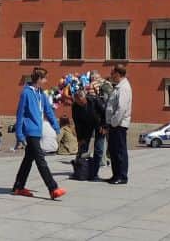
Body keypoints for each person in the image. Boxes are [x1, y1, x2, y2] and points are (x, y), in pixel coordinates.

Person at [12, 67, 66, 199]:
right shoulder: (26, 93)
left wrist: (56, 126)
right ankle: (53, 188)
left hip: (38, 131)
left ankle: (18, 186)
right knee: (41, 160)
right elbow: (20, 114)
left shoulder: (41, 94)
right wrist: (19, 134)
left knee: (28, 160)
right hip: (30, 131)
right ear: (39, 79)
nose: (46, 81)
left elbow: (48, 111)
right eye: (45, 78)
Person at [104, 63, 132, 185]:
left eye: (112, 73)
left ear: (118, 74)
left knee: (120, 151)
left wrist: (114, 122)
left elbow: (121, 108)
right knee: (113, 151)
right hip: (115, 124)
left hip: (119, 125)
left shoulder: (124, 88)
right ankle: (116, 175)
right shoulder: (119, 87)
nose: (111, 75)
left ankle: (122, 176)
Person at [72, 89, 106, 180]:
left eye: (82, 102)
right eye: (78, 103)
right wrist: (80, 138)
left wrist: (104, 126)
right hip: (86, 127)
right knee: (82, 148)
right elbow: (77, 123)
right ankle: (80, 170)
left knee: (98, 149)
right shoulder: (75, 106)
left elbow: (105, 113)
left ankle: (94, 174)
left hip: (99, 125)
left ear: (84, 97)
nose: (81, 104)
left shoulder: (95, 100)